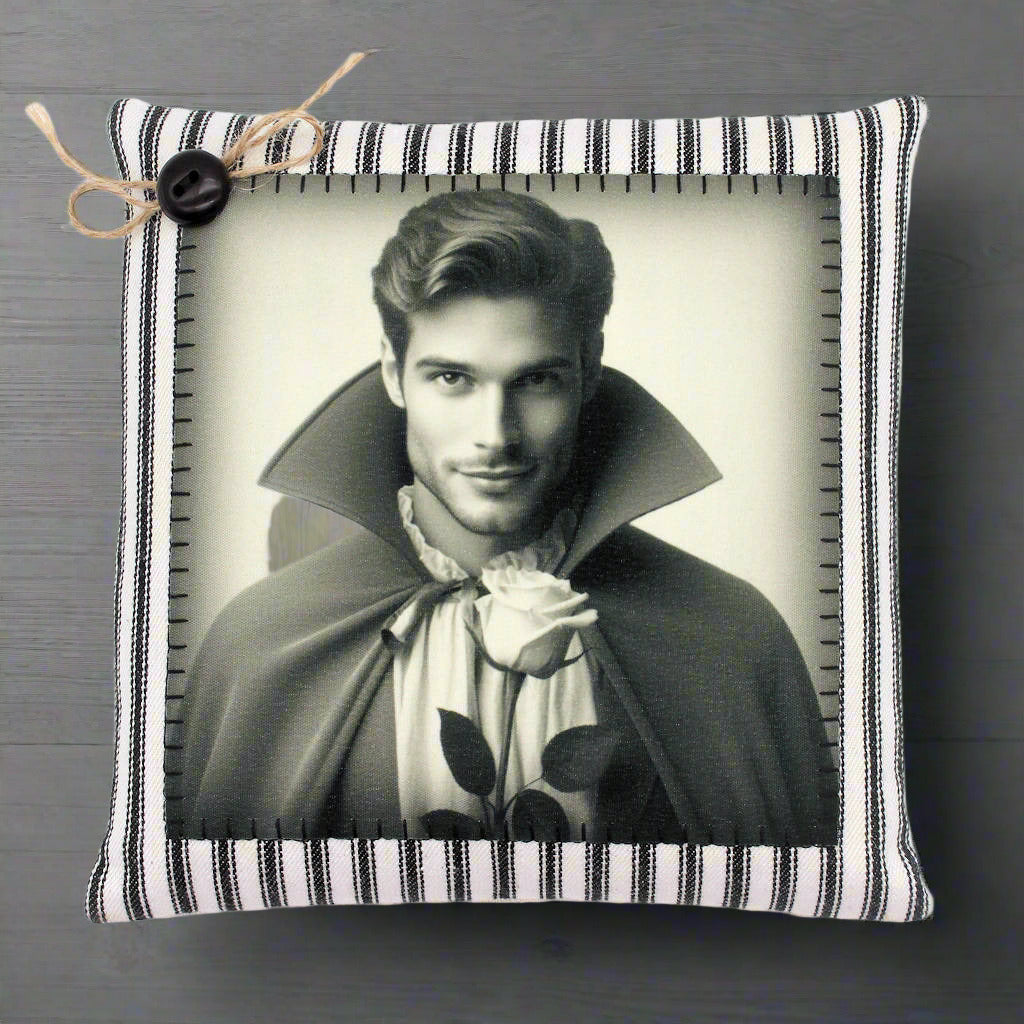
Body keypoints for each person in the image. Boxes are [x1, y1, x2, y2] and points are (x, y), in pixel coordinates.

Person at [170, 189, 839, 847]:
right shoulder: (260, 643)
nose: (496, 435)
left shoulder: (728, 638)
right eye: (451, 379)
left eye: (537, 380)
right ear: (392, 372)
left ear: (589, 371)